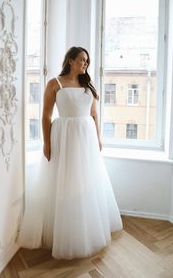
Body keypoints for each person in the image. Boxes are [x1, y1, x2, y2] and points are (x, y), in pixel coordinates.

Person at [18, 46, 123, 259]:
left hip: (86, 138)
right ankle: (63, 231)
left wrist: (99, 137)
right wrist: (47, 143)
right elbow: (46, 116)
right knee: (64, 181)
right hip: (63, 136)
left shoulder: (87, 86)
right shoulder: (54, 84)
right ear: (71, 60)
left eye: (87, 62)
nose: (85, 64)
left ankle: (85, 229)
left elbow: (94, 114)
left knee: (85, 181)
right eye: (82, 60)